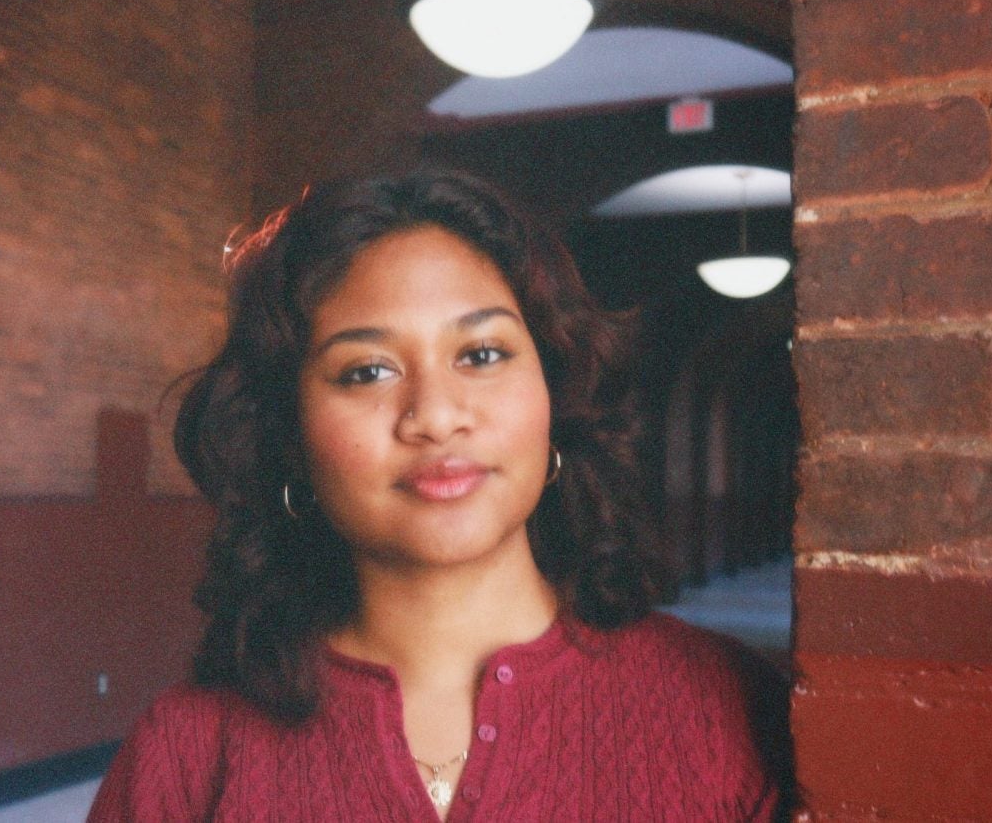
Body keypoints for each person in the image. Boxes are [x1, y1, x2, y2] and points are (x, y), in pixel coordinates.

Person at [87, 169, 785, 821]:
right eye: (365, 371)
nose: (436, 414)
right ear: (290, 434)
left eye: (481, 356)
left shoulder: (718, 706)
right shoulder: (188, 753)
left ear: (555, 396)